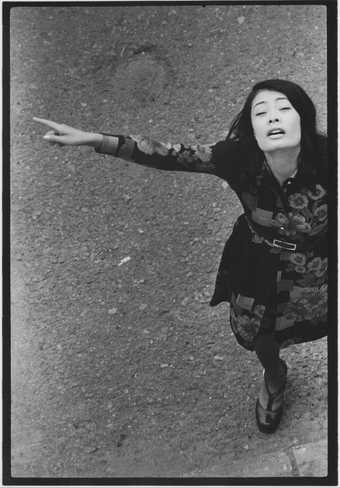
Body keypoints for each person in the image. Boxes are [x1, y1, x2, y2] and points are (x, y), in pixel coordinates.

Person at [34, 79, 328, 434]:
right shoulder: (238, 159)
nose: (273, 118)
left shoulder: (331, 158)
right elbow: (168, 154)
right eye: (260, 113)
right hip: (257, 264)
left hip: (320, 267)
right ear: (252, 129)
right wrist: (97, 140)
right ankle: (275, 377)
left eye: (284, 108)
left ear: (302, 117)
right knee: (261, 336)